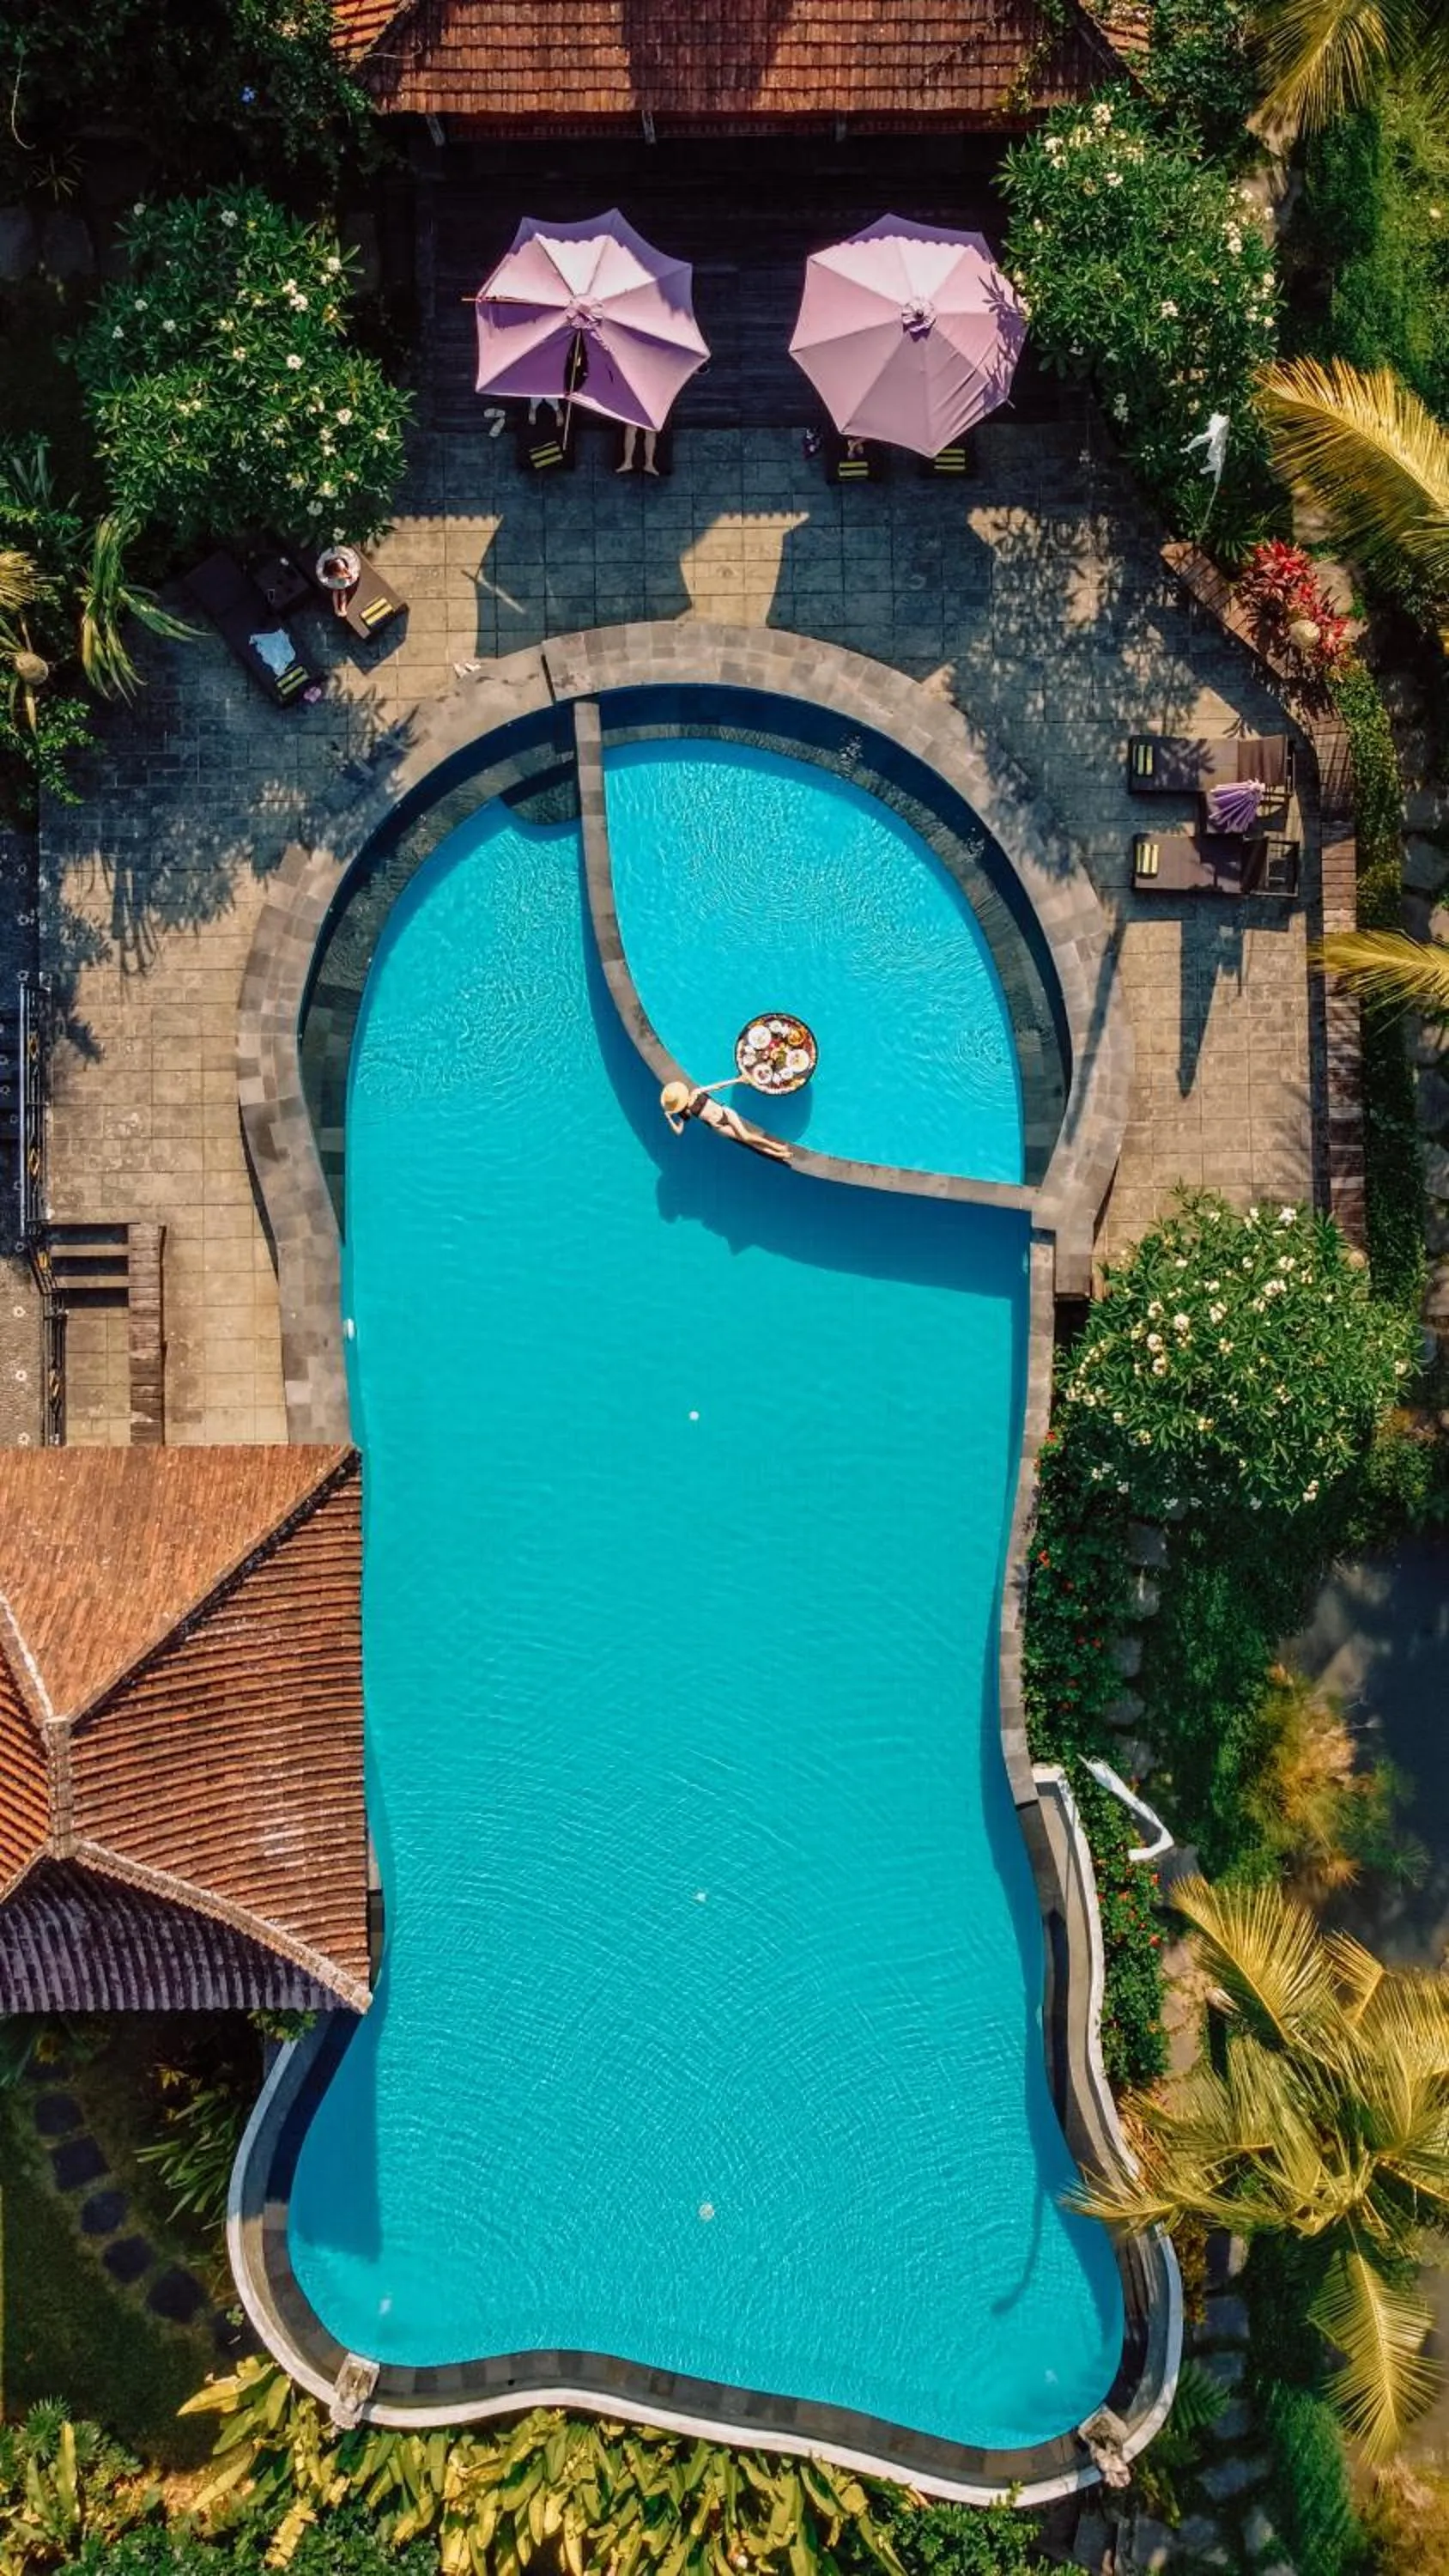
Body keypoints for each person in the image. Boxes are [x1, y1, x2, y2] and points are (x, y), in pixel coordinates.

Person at [659, 1078, 791, 1163]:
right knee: (749, 1142)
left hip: (725, 1113)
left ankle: (778, 1147)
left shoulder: (696, 1092)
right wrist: (669, 1118)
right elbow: (678, 1131)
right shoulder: (685, 1112)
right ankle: (778, 1153)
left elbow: (717, 1086)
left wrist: (737, 1080)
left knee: (746, 1136)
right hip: (718, 1126)